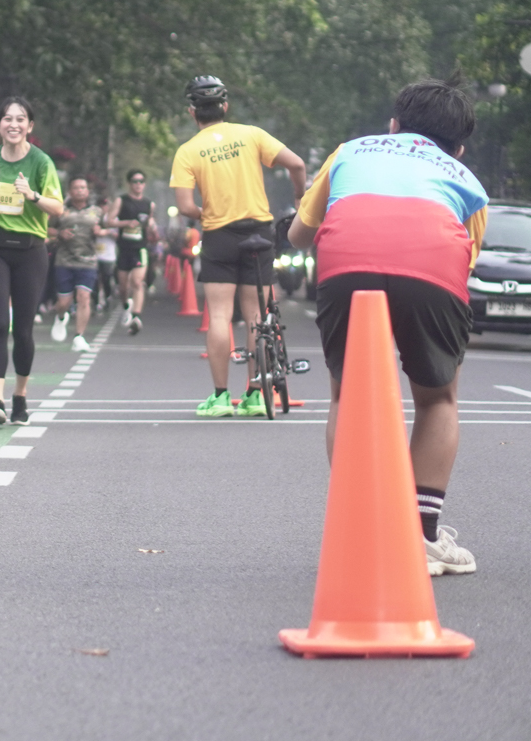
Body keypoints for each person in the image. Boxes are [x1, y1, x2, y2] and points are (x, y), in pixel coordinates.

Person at [287, 79, 487, 576]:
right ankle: (422, 537)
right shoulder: (467, 180)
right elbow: (463, 263)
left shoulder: (349, 152)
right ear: (459, 148)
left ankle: (360, 528)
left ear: (393, 125)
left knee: (346, 395)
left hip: (346, 263)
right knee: (437, 399)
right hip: (432, 264)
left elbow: (298, 236)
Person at [170, 76, 306, 418]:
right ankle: (256, 395)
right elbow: (297, 164)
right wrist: (299, 198)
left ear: (192, 112)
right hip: (258, 232)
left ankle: (219, 397)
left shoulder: (187, 151)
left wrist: (206, 214)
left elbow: (185, 207)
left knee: (219, 315)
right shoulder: (252, 135)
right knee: (256, 317)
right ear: (225, 107)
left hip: (219, 236)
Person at [0, 97, 64, 424]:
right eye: (7, 119)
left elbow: (58, 208)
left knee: (23, 330)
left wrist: (33, 195)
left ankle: (20, 396)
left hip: (31, 251)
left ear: (30, 126)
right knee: (0, 324)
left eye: (20, 119)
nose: (14, 124)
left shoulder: (41, 162)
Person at [48, 177, 104, 352]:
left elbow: (107, 229)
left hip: (88, 261)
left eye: (83, 187)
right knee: (63, 302)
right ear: (70, 192)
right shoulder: (60, 210)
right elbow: (45, 228)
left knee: (84, 297)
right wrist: (60, 233)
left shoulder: (97, 212)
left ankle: (79, 337)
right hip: (64, 261)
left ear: (88, 191)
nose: (80, 190)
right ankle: (60, 316)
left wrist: (100, 231)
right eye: (76, 187)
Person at [109, 170, 158, 333]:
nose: (138, 184)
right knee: (123, 287)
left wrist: (152, 226)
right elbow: (109, 221)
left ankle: (136, 317)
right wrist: (126, 223)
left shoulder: (149, 204)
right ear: (129, 183)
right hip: (124, 248)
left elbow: (150, 221)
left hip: (140, 248)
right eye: (135, 181)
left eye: (141, 181)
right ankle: (126, 305)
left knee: (137, 282)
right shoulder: (121, 201)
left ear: (144, 184)